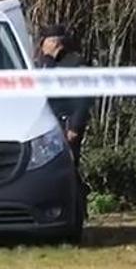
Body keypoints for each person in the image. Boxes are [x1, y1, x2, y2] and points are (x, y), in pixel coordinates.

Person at [35, 24, 93, 166]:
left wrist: (74, 126)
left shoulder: (75, 63)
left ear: (53, 43)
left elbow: (83, 99)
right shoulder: (44, 63)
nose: (41, 46)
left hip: (66, 124)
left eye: (43, 42)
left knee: (68, 165)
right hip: (46, 124)